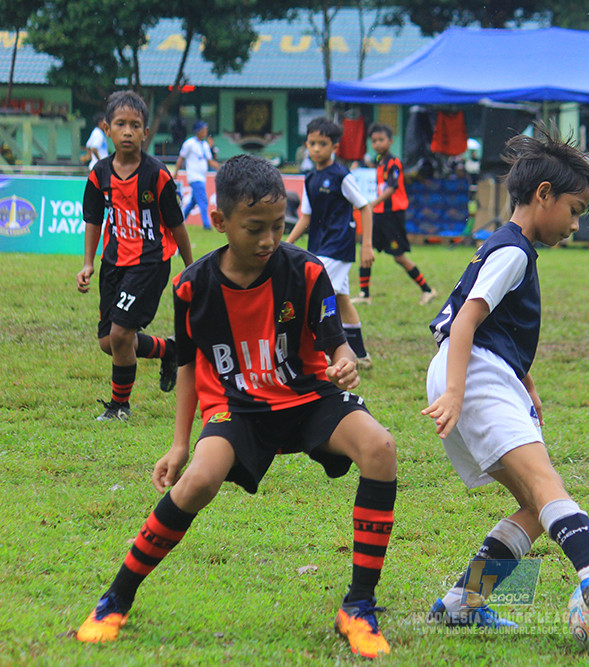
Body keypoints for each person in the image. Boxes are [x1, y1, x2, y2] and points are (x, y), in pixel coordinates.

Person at [74, 155, 398, 659]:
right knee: (198, 482)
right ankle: (115, 598)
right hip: (237, 406)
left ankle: (358, 606)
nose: (269, 239)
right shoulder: (192, 286)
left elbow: (337, 344)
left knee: (380, 448)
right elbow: (187, 364)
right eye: (255, 228)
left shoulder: (307, 271)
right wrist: (179, 444)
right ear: (220, 221)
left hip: (309, 396)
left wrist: (344, 363)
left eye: (278, 226)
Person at [422, 127, 589, 629]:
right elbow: (467, 321)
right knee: (546, 484)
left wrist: (526, 383)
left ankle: (461, 604)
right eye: (575, 210)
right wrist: (455, 391)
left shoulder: (504, 245)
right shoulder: (513, 251)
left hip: (482, 371)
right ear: (543, 194)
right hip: (474, 374)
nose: (576, 225)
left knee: (536, 507)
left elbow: (495, 326)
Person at [76, 91, 193, 422]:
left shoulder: (157, 175)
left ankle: (119, 407)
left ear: (146, 133)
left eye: (135, 125)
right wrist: (88, 263)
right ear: (106, 129)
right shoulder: (99, 174)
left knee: (120, 335)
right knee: (107, 342)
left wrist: (191, 268)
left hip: (149, 263)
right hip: (113, 263)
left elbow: (177, 225)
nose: (127, 131)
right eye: (120, 124)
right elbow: (93, 220)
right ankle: (170, 350)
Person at [287, 117, 375, 369]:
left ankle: (320, 352)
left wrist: (366, 245)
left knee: (313, 297)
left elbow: (365, 207)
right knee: (342, 299)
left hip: (337, 247)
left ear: (335, 147)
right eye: (312, 143)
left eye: (322, 144)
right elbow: (306, 218)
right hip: (319, 246)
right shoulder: (310, 178)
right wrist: (286, 244)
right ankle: (360, 354)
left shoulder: (341, 176)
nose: (316, 148)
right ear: (306, 144)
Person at [355, 123, 437, 306]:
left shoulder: (394, 163)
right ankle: (364, 294)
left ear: (390, 141)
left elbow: (392, 188)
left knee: (399, 256)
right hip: (379, 214)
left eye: (381, 140)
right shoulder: (379, 161)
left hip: (392, 215)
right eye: (374, 141)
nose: (377, 144)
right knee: (365, 249)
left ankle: (428, 290)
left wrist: (373, 203)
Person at [174, 120, 220, 230]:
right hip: (194, 176)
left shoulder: (205, 145)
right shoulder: (189, 143)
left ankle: (180, 220)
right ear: (198, 131)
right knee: (203, 201)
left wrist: (220, 167)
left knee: (193, 202)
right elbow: (181, 158)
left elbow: (210, 161)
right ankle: (206, 225)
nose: (206, 132)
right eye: (204, 129)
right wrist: (176, 173)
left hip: (202, 177)